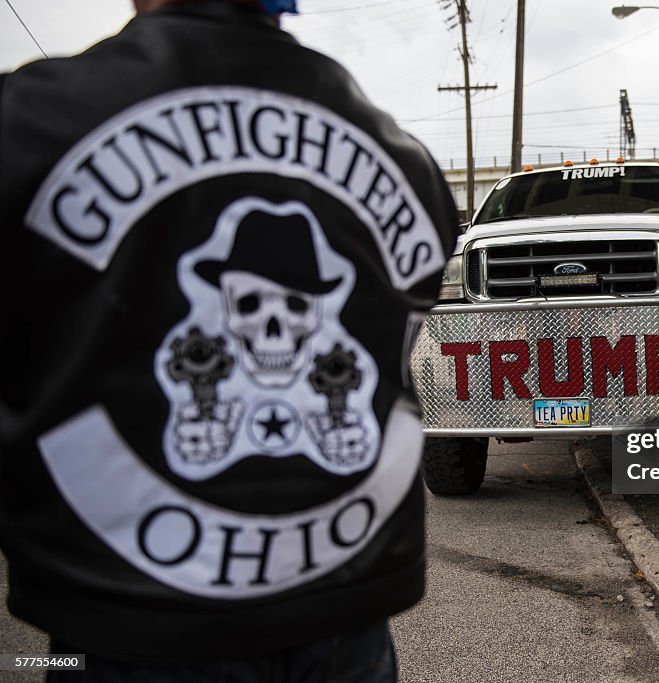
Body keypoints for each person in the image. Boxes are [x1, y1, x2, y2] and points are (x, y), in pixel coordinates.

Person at [0, 0, 458, 680]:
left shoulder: (31, 121)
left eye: (295, 307)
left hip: (130, 628)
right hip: (348, 623)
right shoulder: (405, 159)